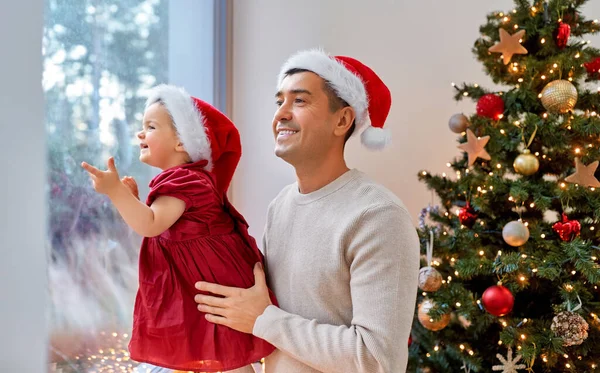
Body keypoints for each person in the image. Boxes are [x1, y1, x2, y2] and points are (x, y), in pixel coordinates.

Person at [194, 49, 420, 373]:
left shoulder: (378, 217)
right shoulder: (281, 206)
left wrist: (264, 319)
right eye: (279, 102)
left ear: (342, 120)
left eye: (299, 101)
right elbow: (265, 325)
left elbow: (377, 360)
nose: (281, 114)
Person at [81, 84, 275, 373]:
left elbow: (150, 224)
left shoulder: (185, 181)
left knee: (226, 356)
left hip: (215, 285)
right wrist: (132, 202)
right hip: (207, 282)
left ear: (182, 142)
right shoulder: (185, 180)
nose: (140, 133)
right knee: (225, 357)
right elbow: (155, 225)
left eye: (151, 126)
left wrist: (115, 193)